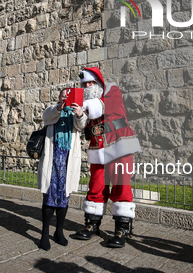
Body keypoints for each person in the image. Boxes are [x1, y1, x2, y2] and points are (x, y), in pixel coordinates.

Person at [72, 67, 142, 248]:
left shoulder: (111, 90)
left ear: (97, 82)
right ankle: (92, 225)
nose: (87, 86)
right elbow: (82, 126)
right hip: (98, 148)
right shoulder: (85, 102)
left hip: (119, 146)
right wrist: (79, 114)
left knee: (121, 186)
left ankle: (122, 229)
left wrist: (84, 107)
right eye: (84, 83)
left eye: (90, 82)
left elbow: (105, 106)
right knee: (96, 187)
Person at [37, 88, 83, 250]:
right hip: (52, 161)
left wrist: (80, 114)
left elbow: (82, 125)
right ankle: (44, 234)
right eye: (63, 95)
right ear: (59, 97)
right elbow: (47, 116)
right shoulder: (53, 110)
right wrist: (59, 108)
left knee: (64, 199)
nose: (65, 98)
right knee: (49, 198)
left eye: (68, 96)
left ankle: (59, 231)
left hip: (67, 162)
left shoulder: (76, 113)